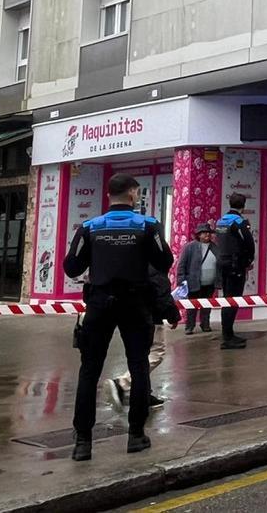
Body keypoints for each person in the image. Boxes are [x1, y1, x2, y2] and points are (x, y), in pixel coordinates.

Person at [63, 174, 173, 462]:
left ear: (109, 195)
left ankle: (83, 443)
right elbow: (165, 262)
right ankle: (136, 435)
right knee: (139, 367)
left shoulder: (90, 227)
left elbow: (71, 267)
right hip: (136, 303)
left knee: (89, 370)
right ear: (134, 194)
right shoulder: (148, 226)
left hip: (99, 303)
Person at [108, 266, 180, 409]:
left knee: (141, 353)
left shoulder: (132, 257)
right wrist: (172, 314)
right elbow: (161, 291)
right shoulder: (155, 263)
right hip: (151, 316)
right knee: (156, 353)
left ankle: (144, 393)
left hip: (130, 313)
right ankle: (122, 383)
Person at [214, 193, 256, 350]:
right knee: (233, 300)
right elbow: (248, 243)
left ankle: (228, 334)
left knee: (226, 299)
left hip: (222, 264)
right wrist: (248, 260)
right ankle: (228, 337)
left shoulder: (220, 221)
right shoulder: (239, 222)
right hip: (235, 265)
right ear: (243, 206)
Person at [177, 223, 218, 334]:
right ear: (198, 235)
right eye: (204, 233)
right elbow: (181, 265)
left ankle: (205, 324)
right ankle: (189, 326)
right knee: (192, 306)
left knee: (207, 305)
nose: (207, 235)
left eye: (209, 233)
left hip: (210, 283)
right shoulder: (190, 247)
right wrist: (181, 281)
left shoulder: (214, 247)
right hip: (193, 282)